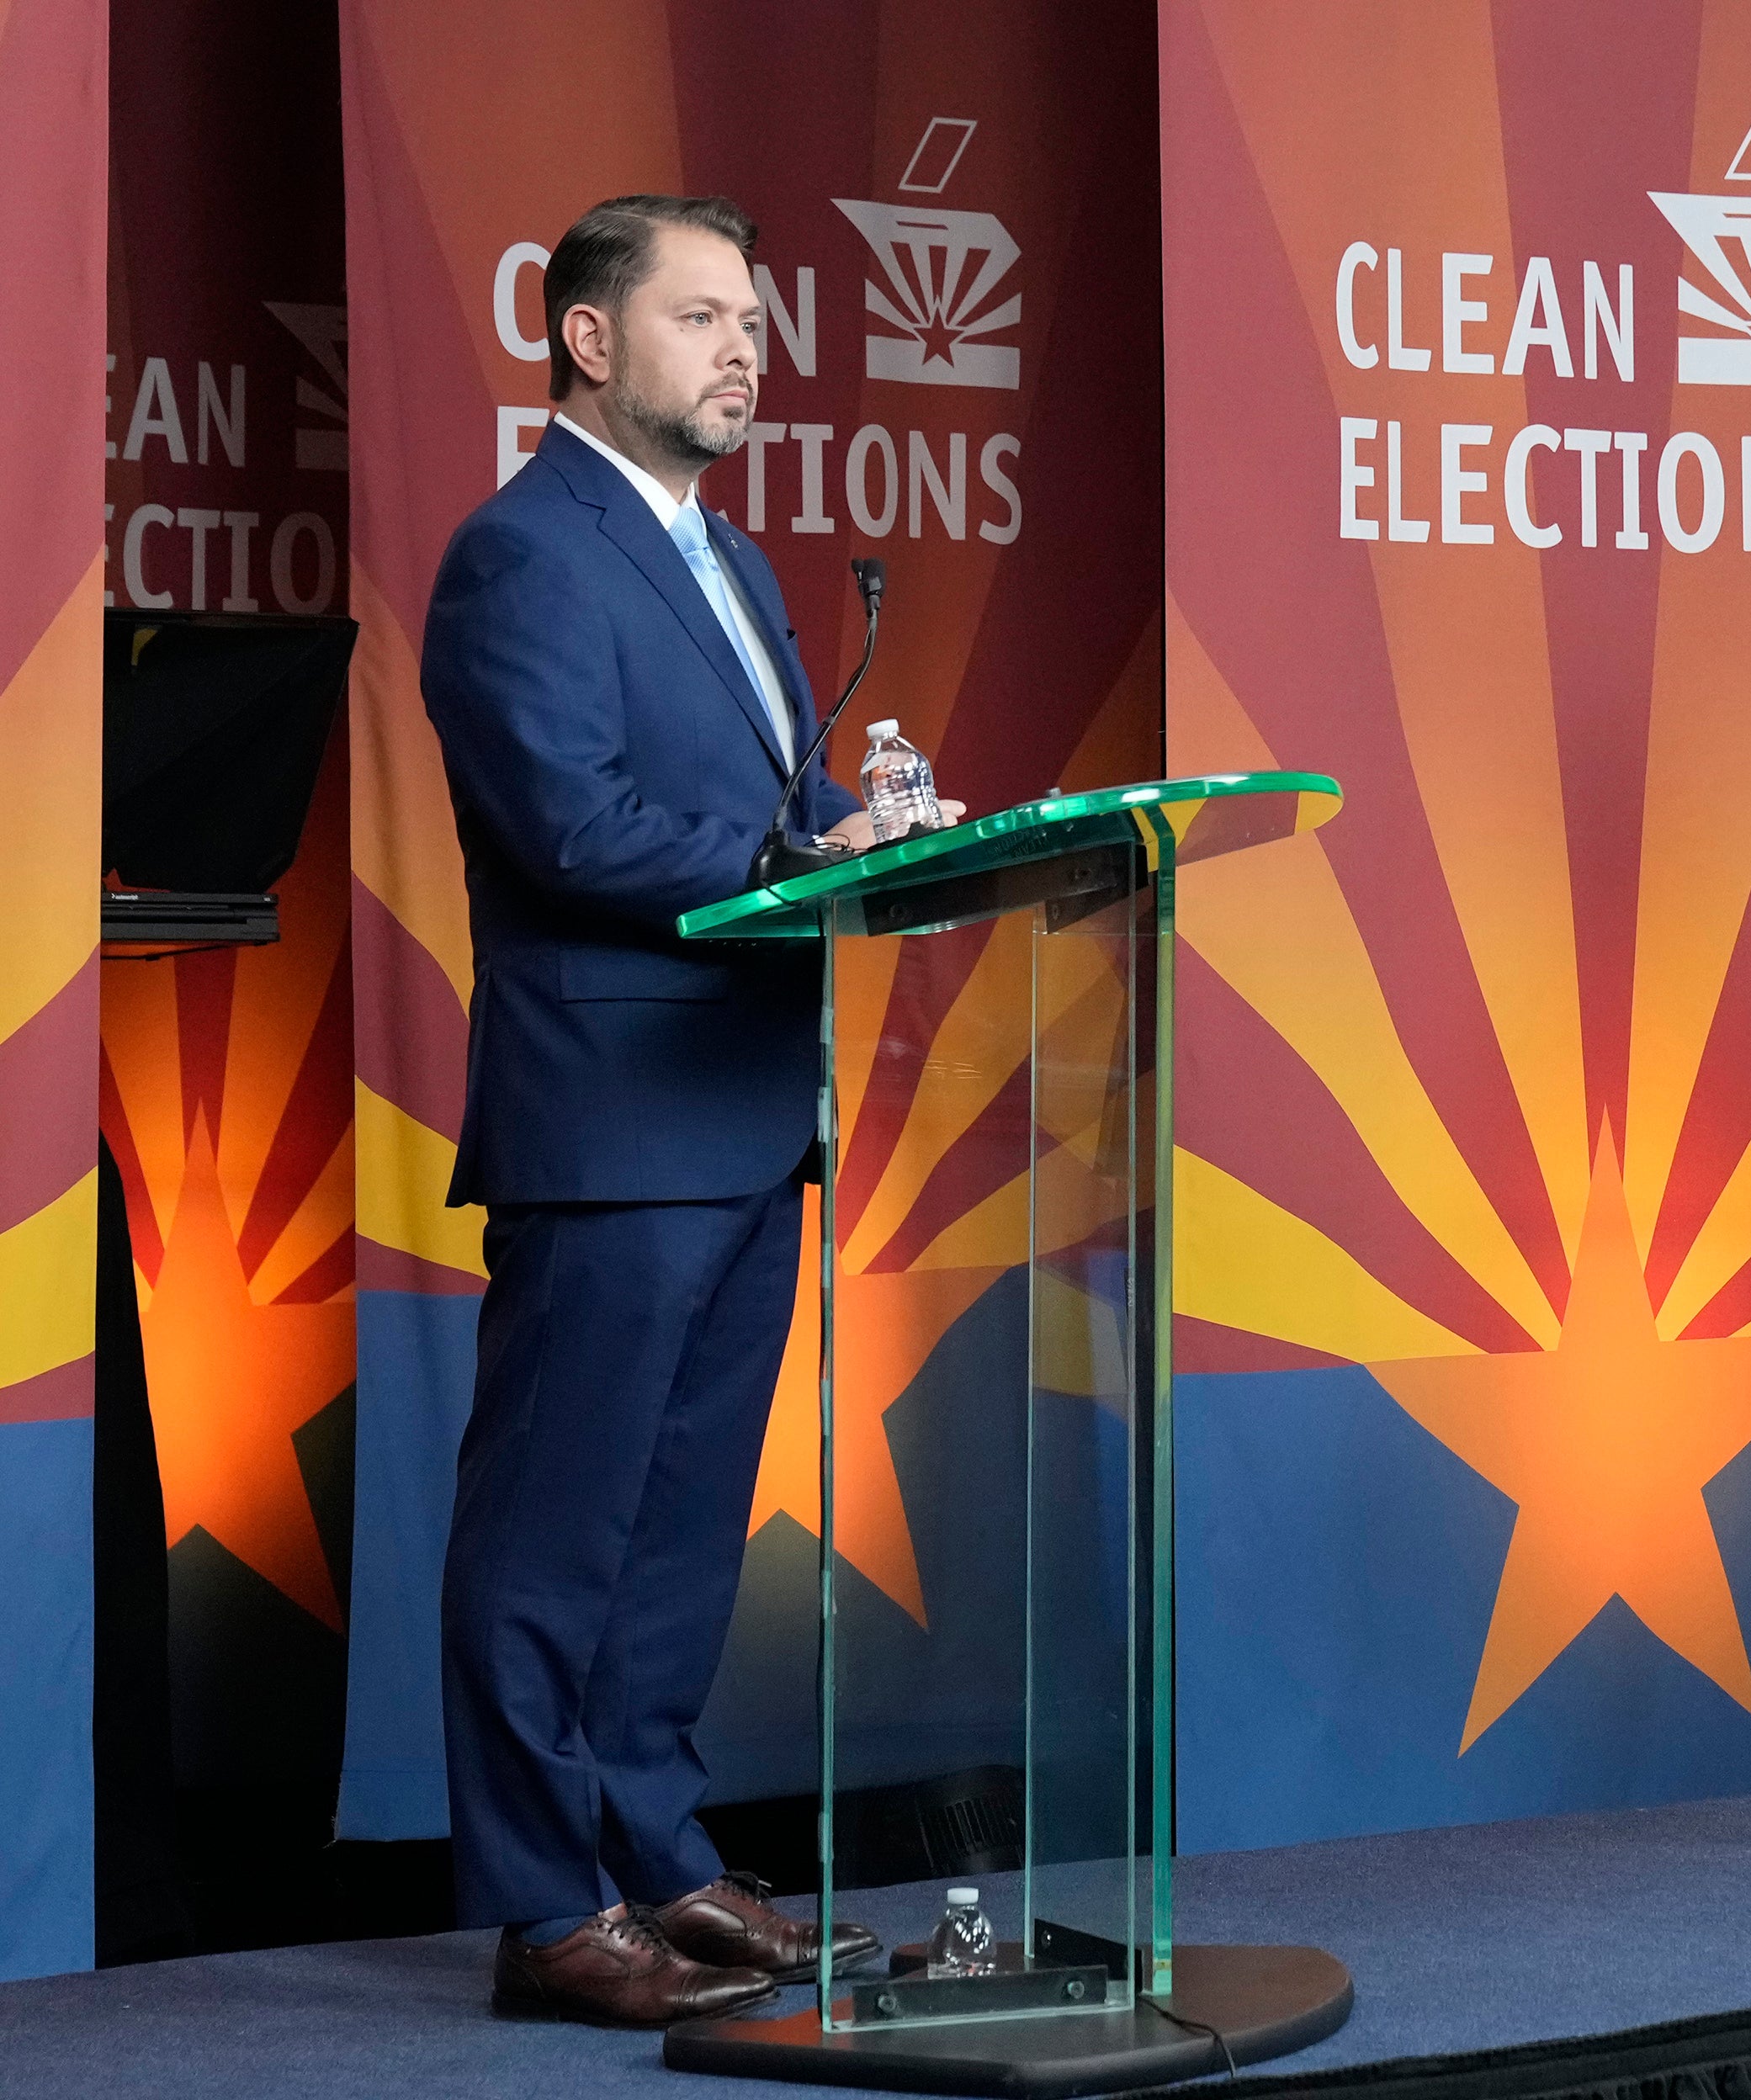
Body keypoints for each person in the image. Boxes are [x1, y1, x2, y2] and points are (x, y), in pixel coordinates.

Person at [423, 194, 961, 2024]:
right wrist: (786, 847)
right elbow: (565, 822)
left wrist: (872, 837)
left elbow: (775, 823)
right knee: (553, 1528)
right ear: (587, 338)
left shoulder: (732, 568)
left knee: (677, 1534)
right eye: (705, 315)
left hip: (746, 1116)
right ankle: (542, 1906)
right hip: (611, 1121)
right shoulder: (524, 556)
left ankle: (658, 1856)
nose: (747, 350)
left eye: (757, 323)